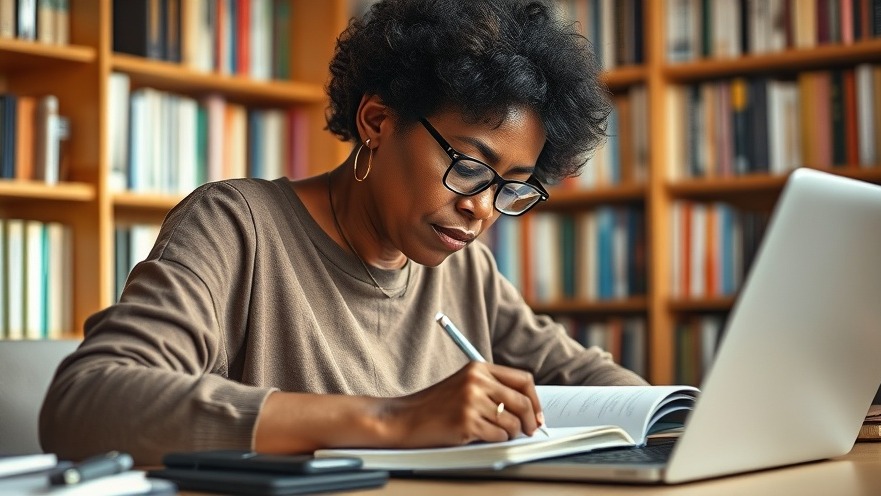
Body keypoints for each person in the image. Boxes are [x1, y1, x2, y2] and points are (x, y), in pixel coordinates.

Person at [40, 0, 647, 465]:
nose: (482, 209)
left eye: (512, 185)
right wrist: (391, 420)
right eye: (468, 167)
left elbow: (593, 382)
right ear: (377, 121)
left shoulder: (465, 270)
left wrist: (679, 418)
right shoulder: (239, 227)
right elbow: (88, 403)